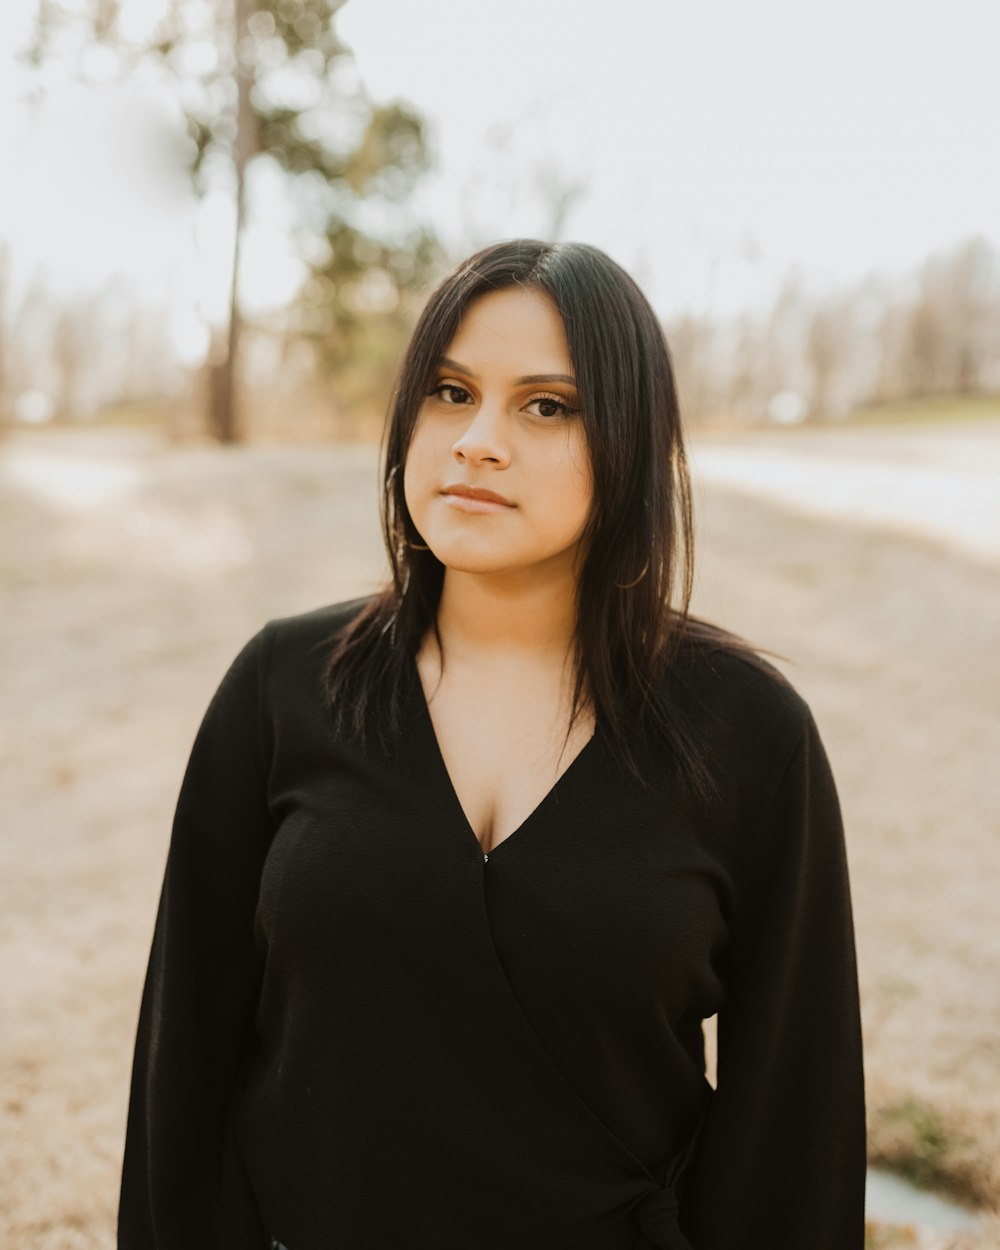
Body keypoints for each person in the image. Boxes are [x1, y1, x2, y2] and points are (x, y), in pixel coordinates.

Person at [118, 239, 866, 1250]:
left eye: (546, 404)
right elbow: (183, 1071)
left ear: (633, 442)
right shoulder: (279, 686)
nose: (476, 439)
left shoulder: (747, 732)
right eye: (448, 390)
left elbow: (793, 1128)